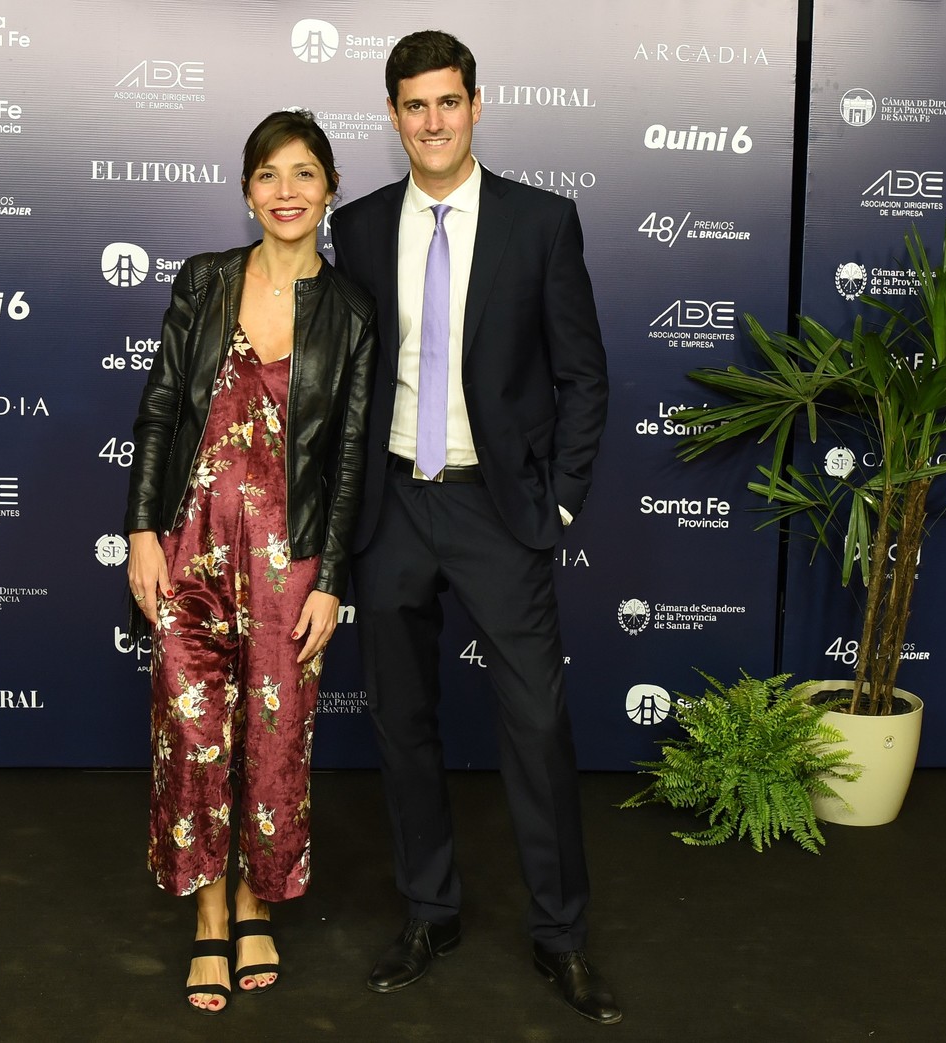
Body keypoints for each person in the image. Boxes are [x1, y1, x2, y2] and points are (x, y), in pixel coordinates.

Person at [329, 31, 620, 1025]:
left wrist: (561, 500)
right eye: (413, 105)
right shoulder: (359, 227)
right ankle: (428, 910)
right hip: (394, 507)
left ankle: (560, 934)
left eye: (447, 102)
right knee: (400, 723)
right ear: (394, 115)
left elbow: (584, 374)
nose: (432, 121)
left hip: (498, 509)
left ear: (476, 106)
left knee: (535, 724)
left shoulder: (540, 221)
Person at [125, 109, 376, 1015]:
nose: (286, 191)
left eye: (304, 173)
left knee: (276, 747)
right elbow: (160, 409)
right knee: (192, 736)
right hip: (189, 544)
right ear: (246, 190)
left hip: (291, 562)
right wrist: (142, 531)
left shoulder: (349, 310)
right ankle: (204, 918)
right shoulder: (204, 283)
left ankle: (254, 899)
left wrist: (336, 578)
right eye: (269, 174)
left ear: (330, 189)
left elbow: (349, 457)